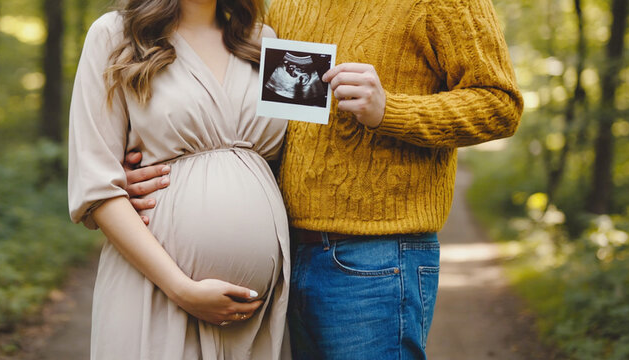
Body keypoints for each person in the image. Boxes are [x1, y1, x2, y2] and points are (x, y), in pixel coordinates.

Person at [123, 0, 523, 359]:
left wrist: (390, 110)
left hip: (377, 260)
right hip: (287, 259)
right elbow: (249, 112)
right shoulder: (276, 6)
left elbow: (500, 103)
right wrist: (161, 164)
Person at [67, 0, 291, 358]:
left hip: (256, 315)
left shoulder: (264, 40)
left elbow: (300, 161)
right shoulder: (114, 35)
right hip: (155, 291)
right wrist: (182, 289)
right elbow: (96, 184)